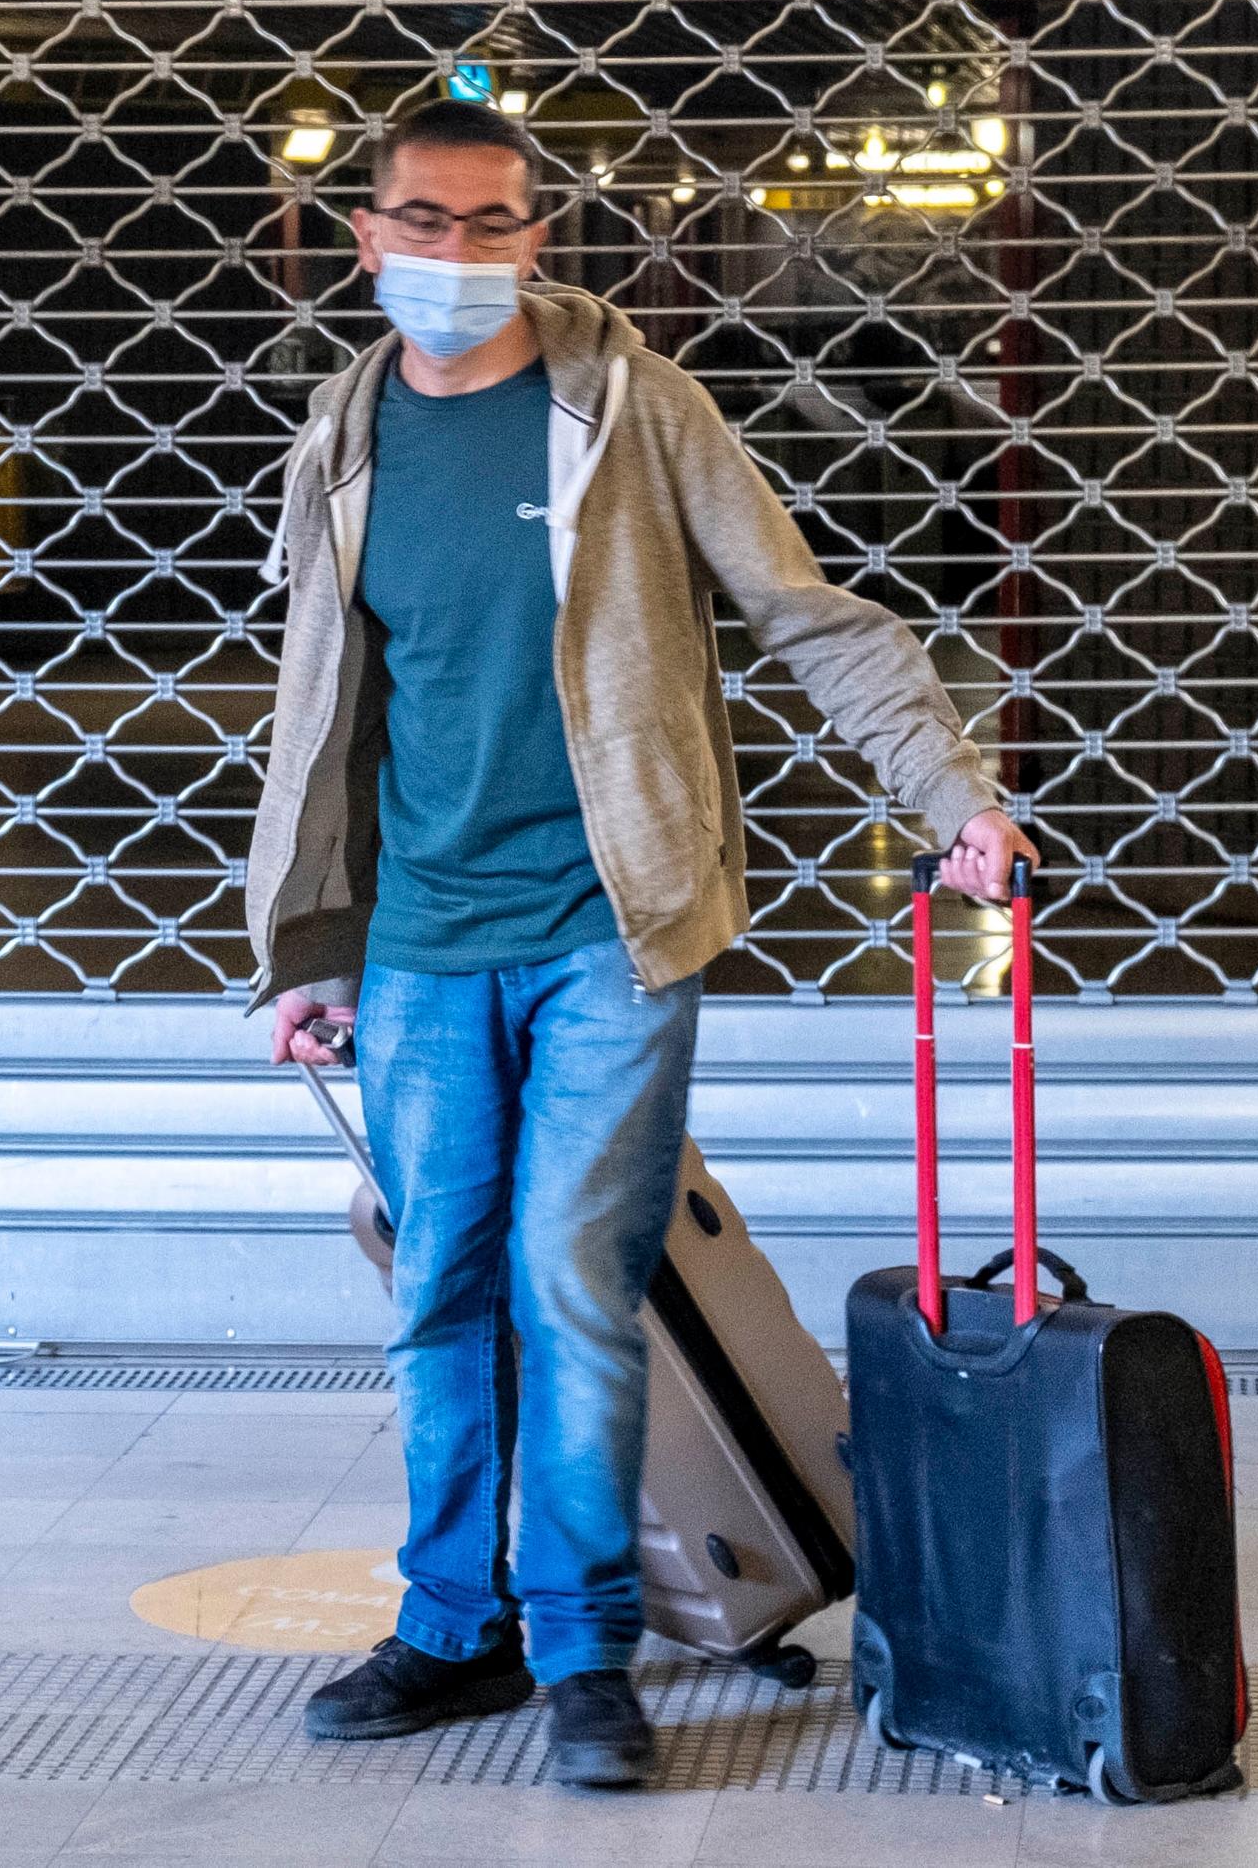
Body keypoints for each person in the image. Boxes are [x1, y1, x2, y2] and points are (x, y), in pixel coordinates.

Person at [248, 97, 1035, 1790]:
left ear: (539, 235)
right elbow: (324, 706)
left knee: (572, 1286)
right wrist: (311, 943)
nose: (460, 255)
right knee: (438, 1290)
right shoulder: (347, 425)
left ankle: (588, 1645)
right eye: (426, 222)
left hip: (616, 926)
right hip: (417, 945)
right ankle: (455, 1629)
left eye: (495, 222)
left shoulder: (628, 409)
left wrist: (947, 789)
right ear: (365, 237)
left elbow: (810, 613)